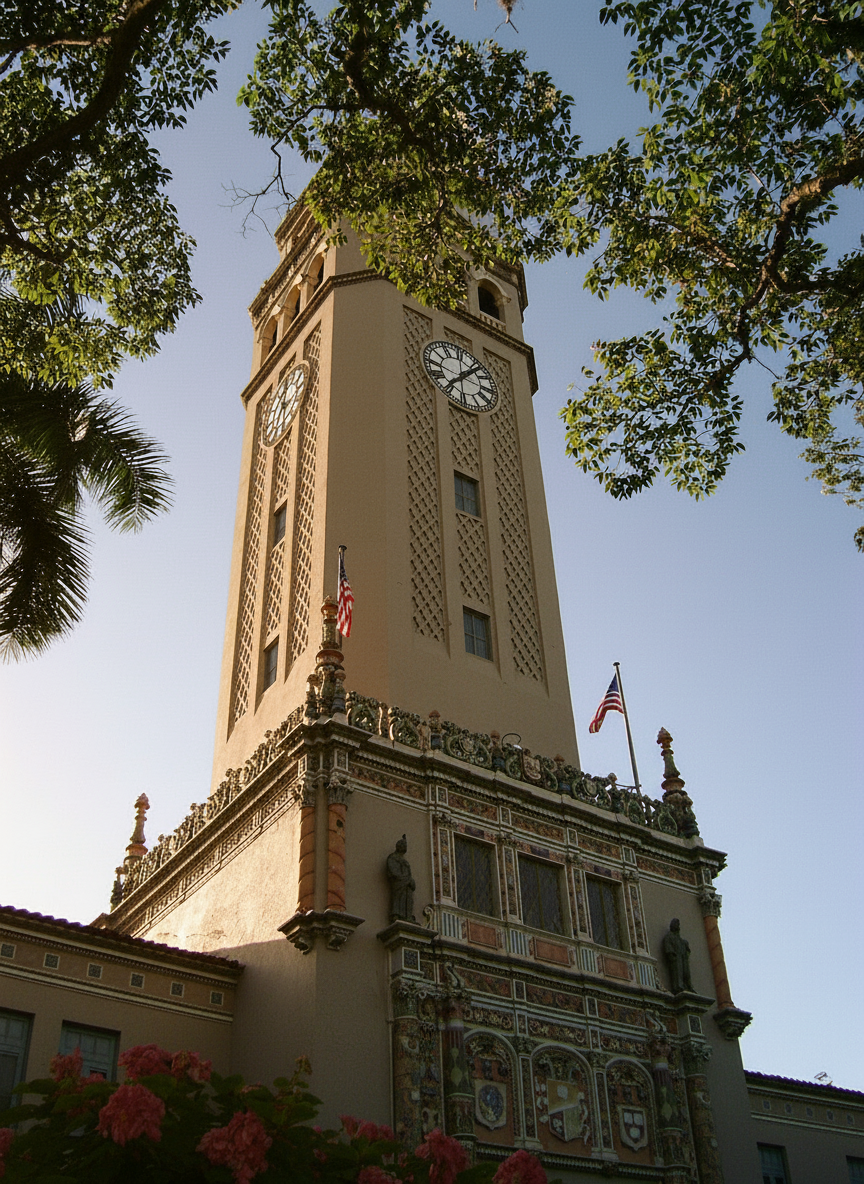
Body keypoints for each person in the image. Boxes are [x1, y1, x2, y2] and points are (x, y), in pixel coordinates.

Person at [387, 835, 416, 923]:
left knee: (408, 899)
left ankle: (408, 916)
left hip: (406, 884)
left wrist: (410, 880)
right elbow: (393, 872)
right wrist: (405, 879)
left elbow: (408, 873)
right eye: (403, 845)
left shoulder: (405, 861)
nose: (405, 847)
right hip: (399, 883)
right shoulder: (392, 857)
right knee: (398, 898)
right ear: (398, 846)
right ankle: (396, 915)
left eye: (405, 845)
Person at [662, 918, 693, 993]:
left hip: (683, 959)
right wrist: (672, 956)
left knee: (686, 973)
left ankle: (687, 986)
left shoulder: (680, 940)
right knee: (677, 973)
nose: (677, 926)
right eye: (675, 924)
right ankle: (678, 987)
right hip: (676, 960)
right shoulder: (669, 937)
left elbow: (686, 950)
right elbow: (668, 948)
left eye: (678, 925)